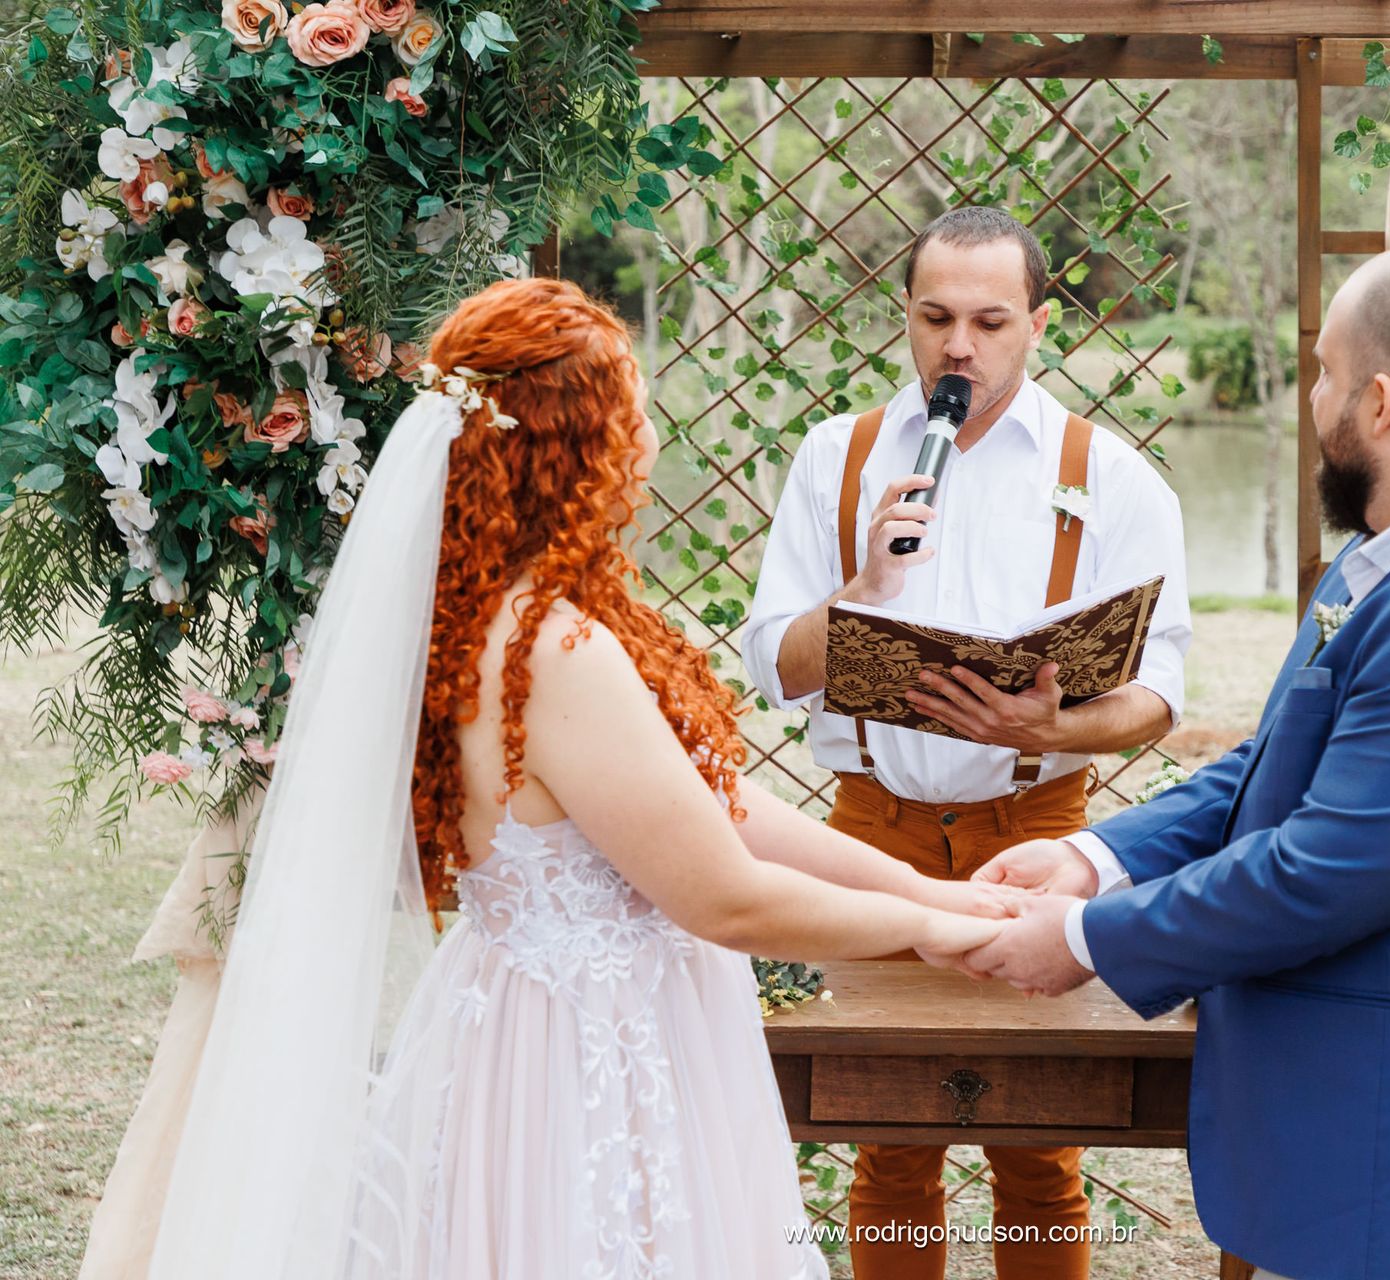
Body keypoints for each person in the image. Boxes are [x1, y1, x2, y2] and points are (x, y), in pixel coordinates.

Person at [133, 277, 1015, 1279]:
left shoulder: (488, 612)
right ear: (575, 447)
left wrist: (931, 891)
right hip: (587, 1060)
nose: (647, 435)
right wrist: (929, 930)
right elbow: (723, 894)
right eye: (629, 411)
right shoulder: (551, 649)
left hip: (544, 1019)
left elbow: (716, 804)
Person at [964, 245, 1390, 1280]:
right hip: (1369, 1146)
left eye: (1324, 373)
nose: (1311, 401)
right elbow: (1280, 758)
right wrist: (1097, 858)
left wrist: (1087, 939)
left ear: (1383, 402)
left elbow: (1327, 868)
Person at [739, 206, 1192, 1280]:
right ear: (905, 314)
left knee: (1042, 1142)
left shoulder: (1112, 476)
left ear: (1037, 323)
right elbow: (772, 667)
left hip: (1034, 832)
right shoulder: (837, 457)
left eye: (990, 321)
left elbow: (1160, 692)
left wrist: (1056, 724)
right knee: (886, 1136)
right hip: (871, 831)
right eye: (936, 317)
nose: (959, 347)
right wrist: (865, 587)